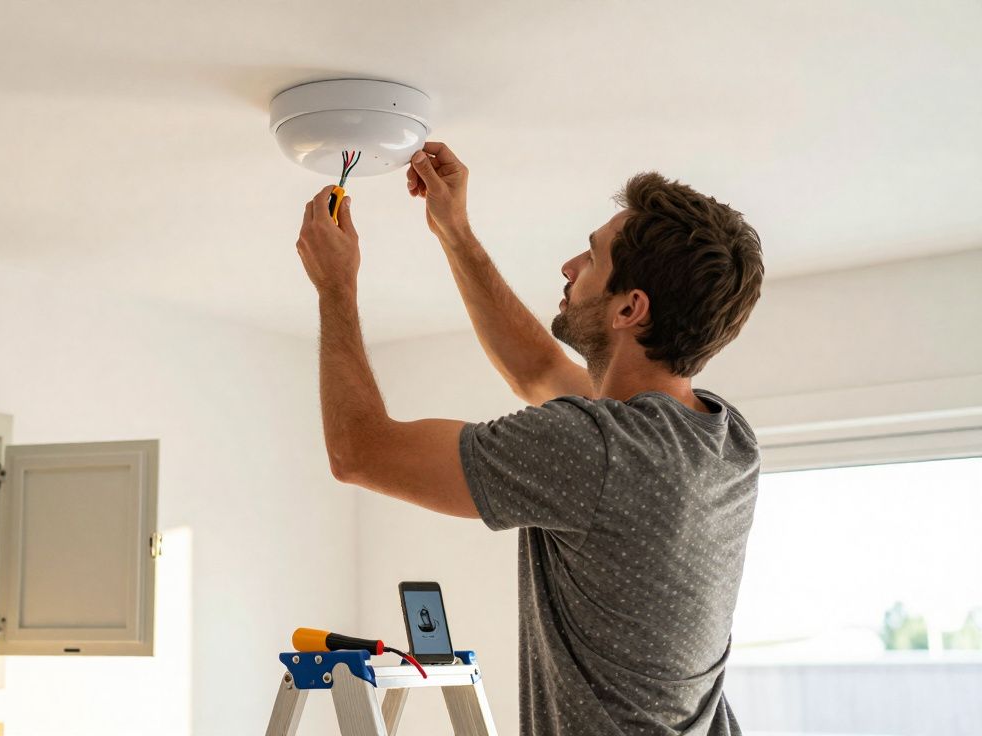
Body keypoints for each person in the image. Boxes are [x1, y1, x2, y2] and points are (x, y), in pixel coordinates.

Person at [293, 141, 765, 735]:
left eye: (592, 259)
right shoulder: (721, 440)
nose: (570, 266)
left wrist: (335, 288)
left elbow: (359, 452)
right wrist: (454, 231)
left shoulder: (597, 448)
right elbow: (538, 373)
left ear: (629, 310)